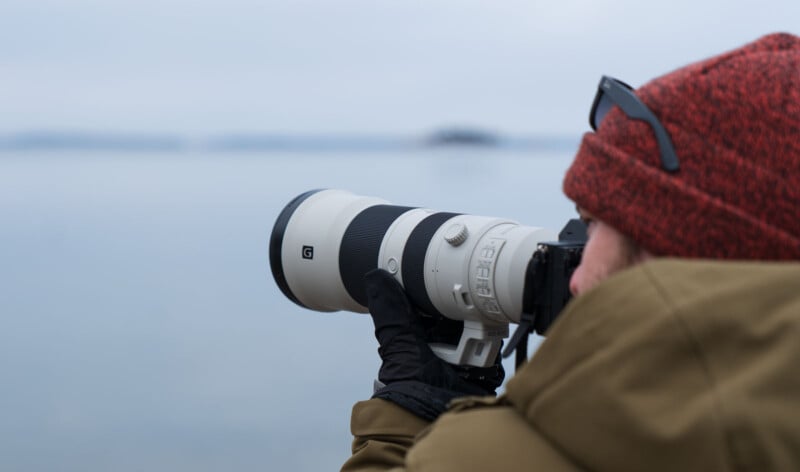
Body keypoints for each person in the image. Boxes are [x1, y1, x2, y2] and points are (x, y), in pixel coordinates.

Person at [341, 32, 800, 471]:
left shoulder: (506, 454)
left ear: (674, 245)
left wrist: (402, 418)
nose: (574, 275)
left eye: (598, 222)